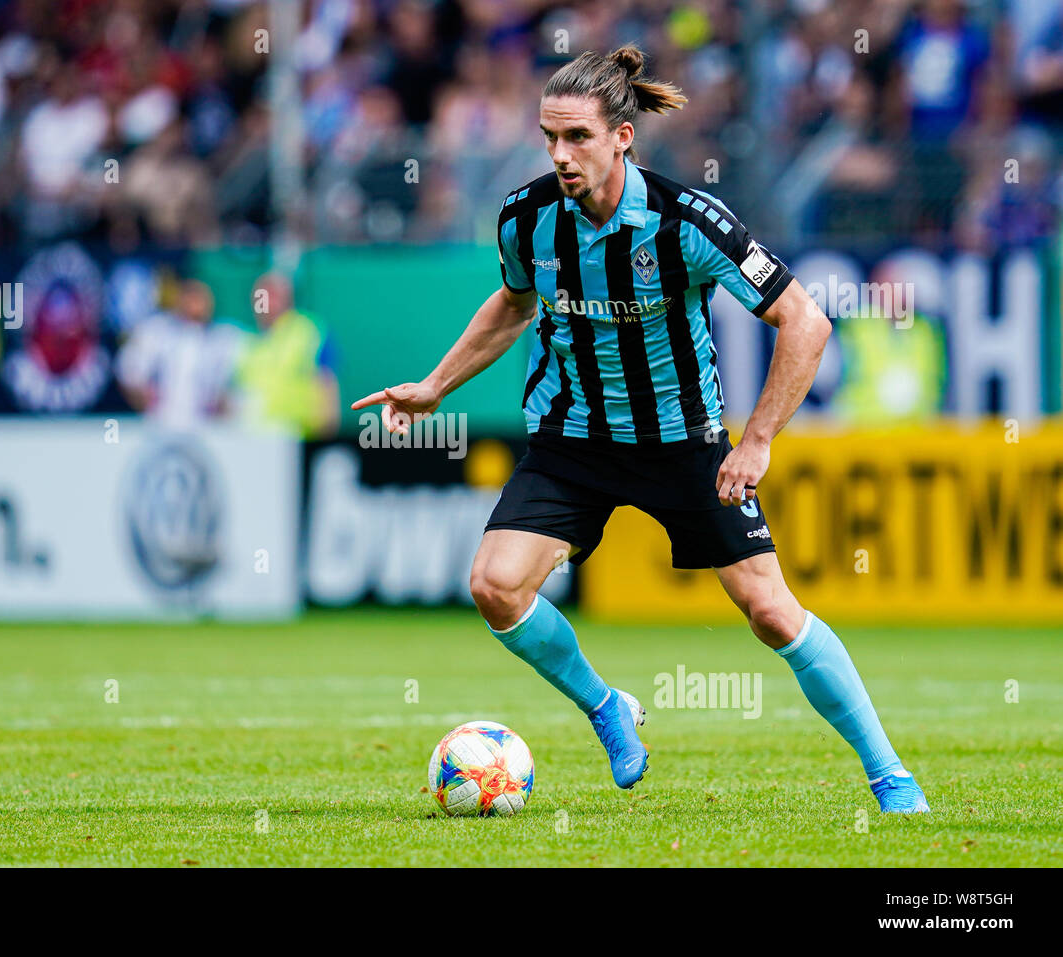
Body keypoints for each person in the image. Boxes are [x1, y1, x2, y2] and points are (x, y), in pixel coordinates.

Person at [352, 45, 929, 814]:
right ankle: (606, 707)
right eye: (549, 137)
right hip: (571, 440)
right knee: (494, 585)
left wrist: (755, 441)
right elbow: (514, 303)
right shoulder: (526, 218)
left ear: (623, 136)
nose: (560, 154)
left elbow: (806, 320)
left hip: (682, 443)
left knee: (769, 610)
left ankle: (890, 775)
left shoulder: (687, 221)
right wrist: (434, 385)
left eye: (578, 137)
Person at [115, 279, 243, 430]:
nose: (195, 304)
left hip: (206, 427)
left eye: (200, 298)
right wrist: (141, 397)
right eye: (190, 297)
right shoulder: (155, 331)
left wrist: (225, 404)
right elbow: (127, 371)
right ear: (180, 300)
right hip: (158, 424)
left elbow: (235, 388)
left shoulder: (224, 339)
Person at [239, 273, 339, 439]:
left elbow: (327, 386)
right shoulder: (248, 343)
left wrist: (324, 436)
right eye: (260, 296)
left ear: (288, 298)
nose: (266, 302)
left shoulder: (310, 331)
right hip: (256, 440)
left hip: (299, 439)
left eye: (273, 295)